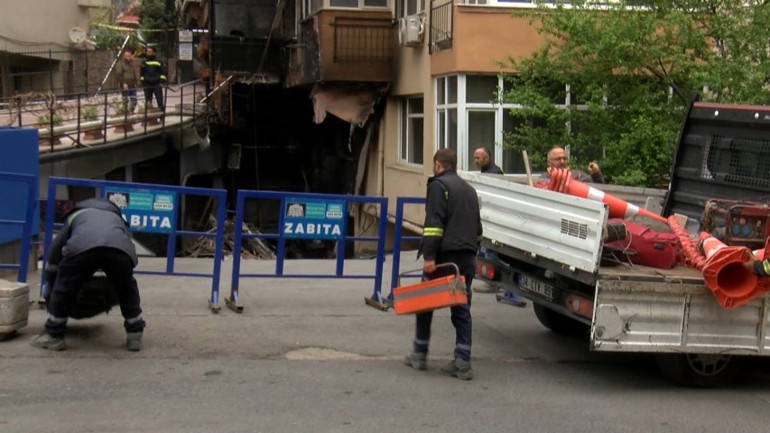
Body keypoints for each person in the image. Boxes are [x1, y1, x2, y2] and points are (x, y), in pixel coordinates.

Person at [403, 148, 482, 380]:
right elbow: (478, 229)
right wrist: (473, 252)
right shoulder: (469, 190)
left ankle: (419, 352)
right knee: (461, 306)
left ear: (438, 164)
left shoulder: (439, 186)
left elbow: (434, 224)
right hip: (467, 255)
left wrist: (429, 257)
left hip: (445, 257)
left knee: (424, 303)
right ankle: (462, 360)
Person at [30, 198, 146, 352]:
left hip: (81, 248)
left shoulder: (77, 214)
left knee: (65, 287)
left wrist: (51, 275)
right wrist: (125, 272)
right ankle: (134, 334)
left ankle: (54, 335)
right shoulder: (117, 218)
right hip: (119, 251)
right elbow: (126, 242)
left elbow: (57, 247)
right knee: (126, 288)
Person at [472, 146, 527, 307]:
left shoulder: (493, 174)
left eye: (478, 158)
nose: (475, 161)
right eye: (475, 158)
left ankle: (498, 279)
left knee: (491, 253)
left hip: (496, 222)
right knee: (487, 252)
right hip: (492, 220)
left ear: (487, 159)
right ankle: (498, 280)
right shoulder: (489, 172)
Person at [140, 46, 167, 112]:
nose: (148, 53)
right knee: (148, 102)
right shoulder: (144, 62)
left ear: (154, 53)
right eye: (147, 51)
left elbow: (163, 72)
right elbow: (141, 74)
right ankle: (149, 119)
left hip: (156, 84)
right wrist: (144, 82)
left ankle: (161, 117)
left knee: (159, 101)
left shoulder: (159, 62)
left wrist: (161, 81)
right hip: (147, 84)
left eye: (150, 52)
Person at [113, 49, 139, 114]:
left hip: (132, 84)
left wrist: (136, 82)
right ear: (124, 56)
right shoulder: (120, 64)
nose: (129, 57)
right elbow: (119, 74)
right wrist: (124, 83)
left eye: (130, 56)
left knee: (134, 99)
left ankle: (130, 112)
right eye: (127, 56)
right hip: (125, 85)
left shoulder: (131, 64)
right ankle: (125, 113)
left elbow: (133, 73)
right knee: (125, 100)